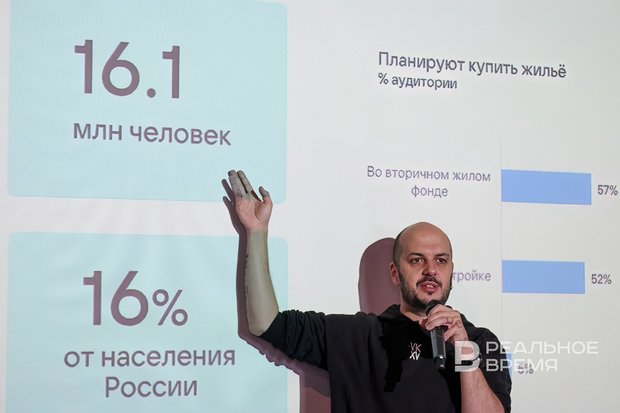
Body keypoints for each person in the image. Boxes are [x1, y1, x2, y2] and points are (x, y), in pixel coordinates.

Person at [227, 170, 511, 413]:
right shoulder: (358, 336)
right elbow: (266, 324)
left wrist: (464, 353)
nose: (430, 270)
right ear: (394, 273)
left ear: (451, 271)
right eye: (416, 260)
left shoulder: (479, 342)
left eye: (441, 260)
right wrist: (257, 233)